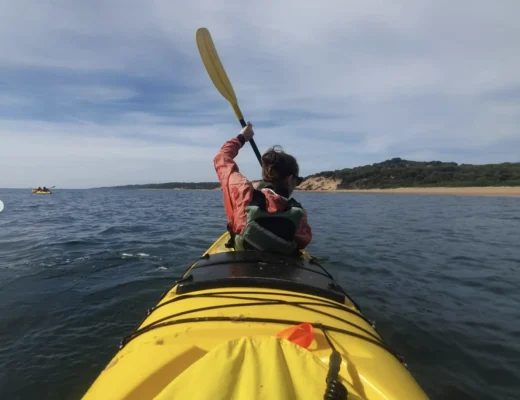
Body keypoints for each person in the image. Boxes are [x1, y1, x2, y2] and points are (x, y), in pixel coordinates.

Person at [213, 122, 312, 255]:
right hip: (282, 268)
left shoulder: (243, 192)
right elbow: (302, 241)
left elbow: (222, 158)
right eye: (297, 180)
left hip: (243, 263)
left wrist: (242, 137)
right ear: (289, 180)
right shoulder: (299, 214)